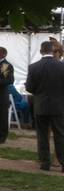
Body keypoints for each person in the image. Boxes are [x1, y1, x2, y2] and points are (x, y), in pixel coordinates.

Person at [25, 41, 64, 171]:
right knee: (60, 134)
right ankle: (62, 162)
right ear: (53, 51)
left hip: (41, 105)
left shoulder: (33, 67)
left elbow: (29, 88)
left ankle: (45, 162)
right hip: (59, 106)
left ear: (41, 51)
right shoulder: (61, 66)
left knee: (42, 135)